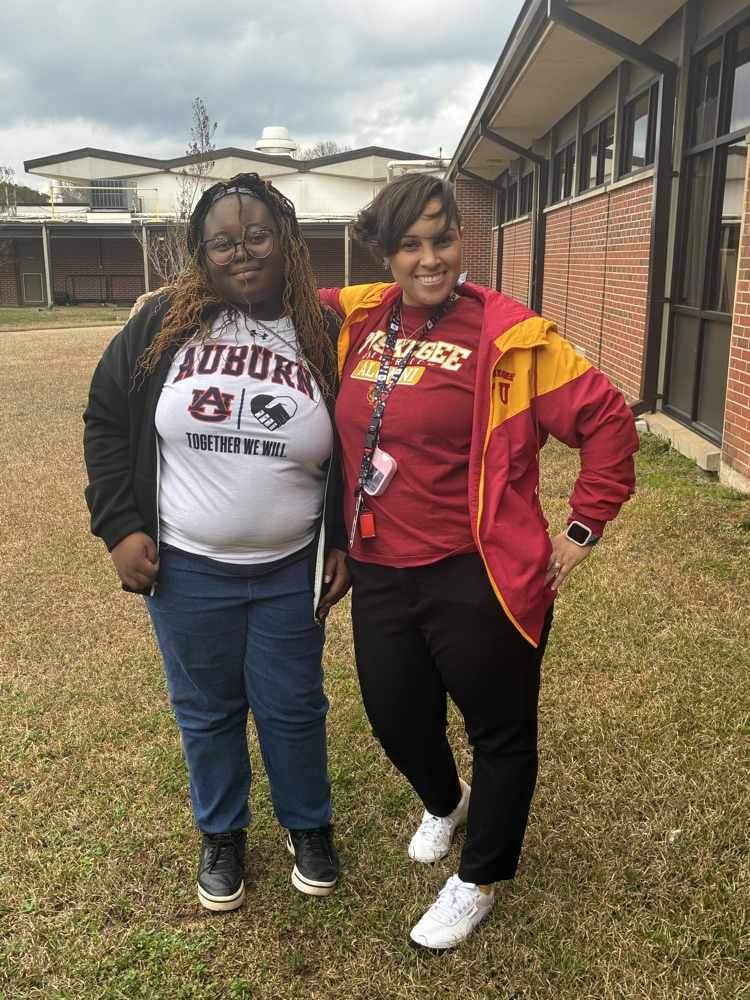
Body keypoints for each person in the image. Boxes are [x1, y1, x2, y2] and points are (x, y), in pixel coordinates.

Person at [318, 172, 639, 952]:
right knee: (396, 718)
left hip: (479, 572)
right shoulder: (362, 315)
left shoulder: (513, 332)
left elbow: (609, 426)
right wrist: (167, 301)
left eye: (444, 239)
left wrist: (580, 532)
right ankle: (445, 800)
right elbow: (270, 291)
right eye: (410, 246)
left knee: (500, 731)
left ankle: (481, 877)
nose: (431, 259)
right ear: (385, 253)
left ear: (464, 237)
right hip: (379, 566)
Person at [83, 173, 350, 913]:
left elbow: (359, 441)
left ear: (286, 240)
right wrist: (119, 525)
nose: (242, 253)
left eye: (258, 235)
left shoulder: (323, 332)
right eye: (222, 242)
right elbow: (106, 418)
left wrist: (344, 540)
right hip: (187, 568)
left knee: (294, 705)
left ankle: (308, 825)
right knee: (206, 709)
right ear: (200, 252)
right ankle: (223, 834)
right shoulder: (164, 322)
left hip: (289, 567)